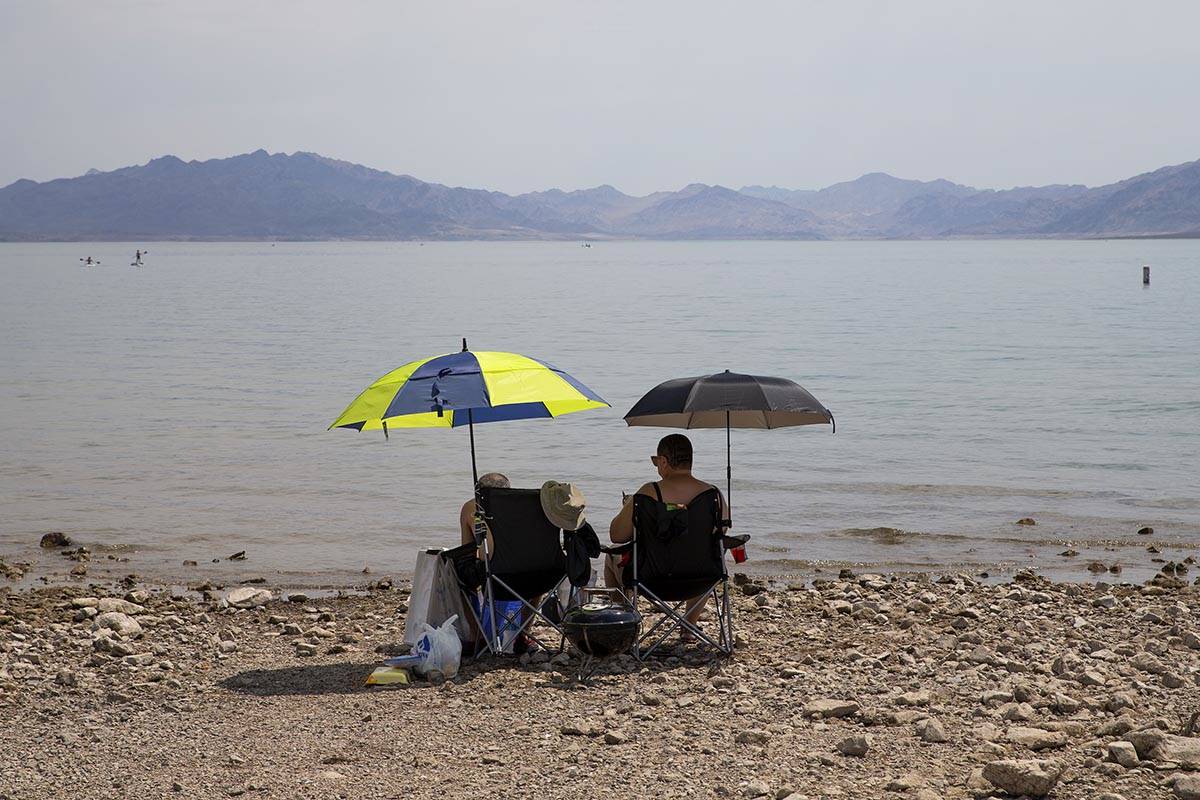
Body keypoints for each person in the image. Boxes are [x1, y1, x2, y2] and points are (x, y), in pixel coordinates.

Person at [606, 433, 727, 631]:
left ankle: (624, 624)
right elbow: (720, 532)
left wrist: (629, 507)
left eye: (657, 463)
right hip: (702, 578)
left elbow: (617, 536)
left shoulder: (647, 493)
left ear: (663, 461)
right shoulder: (713, 495)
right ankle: (689, 625)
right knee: (708, 552)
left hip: (651, 580)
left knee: (610, 559)